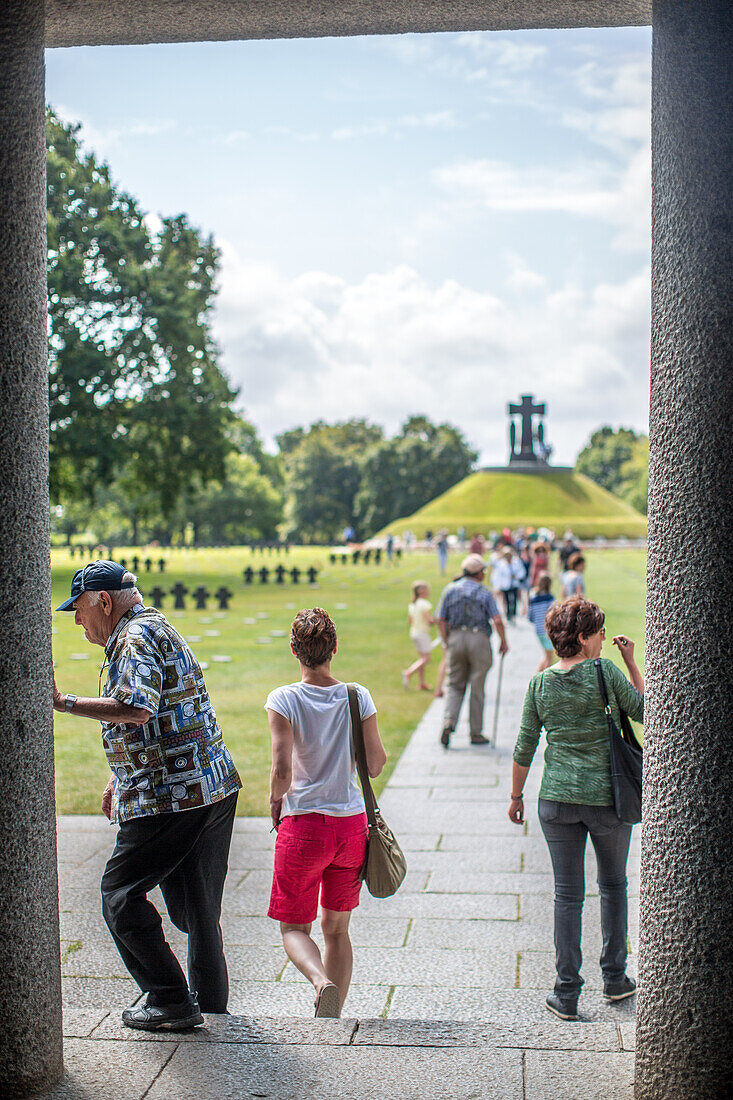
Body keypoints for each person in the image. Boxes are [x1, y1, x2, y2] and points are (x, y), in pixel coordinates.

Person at [53, 561, 241, 1031]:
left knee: (119, 893)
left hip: (171, 795)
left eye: (77, 609)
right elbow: (172, 707)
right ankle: (212, 1011)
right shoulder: (154, 626)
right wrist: (123, 774)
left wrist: (64, 702)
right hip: (210, 786)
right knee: (197, 911)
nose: (76, 620)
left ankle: (169, 999)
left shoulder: (133, 638)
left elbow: (138, 707)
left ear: (102, 600)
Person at [508, 596, 644, 1021]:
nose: (604, 638)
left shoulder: (540, 683)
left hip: (557, 801)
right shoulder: (605, 671)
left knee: (566, 896)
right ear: (583, 638)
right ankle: (616, 979)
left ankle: (566, 992)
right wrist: (631, 661)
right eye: (600, 632)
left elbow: (525, 745)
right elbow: (646, 712)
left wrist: (516, 798)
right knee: (613, 886)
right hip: (608, 799)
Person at [266, 608, 387, 1018]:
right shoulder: (358, 695)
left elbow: (282, 768)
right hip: (351, 826)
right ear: (334, 648)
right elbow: (375, 764)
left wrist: (273, 803)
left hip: (303, 826)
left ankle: (321, 983)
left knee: (294, 928)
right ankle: (332, 1018)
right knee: (337, 930)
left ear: (294, 650)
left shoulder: (283, 699)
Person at [434, 554, 509, 748]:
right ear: (478, 573)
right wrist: (503, 641)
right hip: (479, 639)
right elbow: (497, 619)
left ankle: (449, 721)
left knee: (454, 684)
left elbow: (440, 619)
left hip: (456, 638)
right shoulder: (484, 592)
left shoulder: (450, 590)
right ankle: (475, 732)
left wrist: (446, 640)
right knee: (477, 687)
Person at [402, 580, 436, 692]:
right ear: (422, 591)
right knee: (426, 658)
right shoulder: (424, 604)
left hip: (414, 632)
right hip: (422, 633)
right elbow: (429, 621)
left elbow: (410, 620)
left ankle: (422, 683)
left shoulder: (413, 604)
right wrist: (436, 620)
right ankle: (409, 672)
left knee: (421, 658)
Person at [527, 573, 557, 671]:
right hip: (547, 630)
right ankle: (543, 680)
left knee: (546, 656)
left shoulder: (533, 599)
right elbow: (554, 615)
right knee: (549, 658)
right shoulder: (550, 598)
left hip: (538, 630)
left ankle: (538, 678)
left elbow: (530, 617)